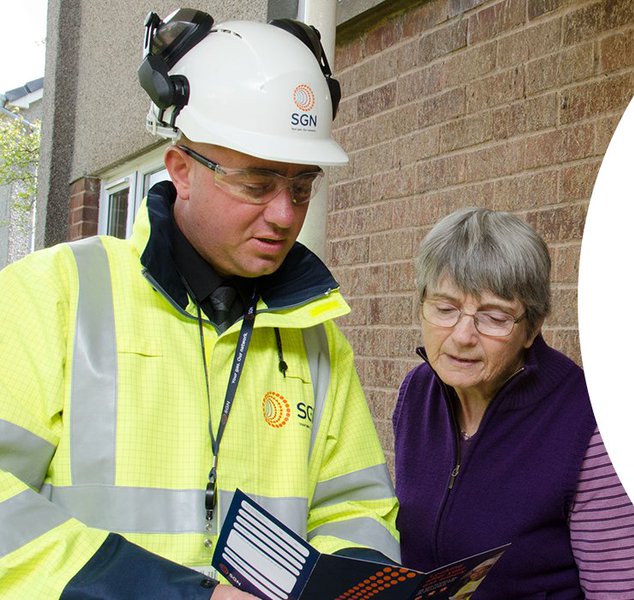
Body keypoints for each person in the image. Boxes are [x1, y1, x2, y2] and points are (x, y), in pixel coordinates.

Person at [0, 9, 399, 599]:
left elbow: (355, 507)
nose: (287, 215)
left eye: (301, 186)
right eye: (258, 185)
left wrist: (353, 583)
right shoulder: (53, 295)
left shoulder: (316, 338)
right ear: (181, 169)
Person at [392, 208, 634, 599]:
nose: (462, 335)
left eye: (494, 317)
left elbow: (618, 592)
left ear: (532, 328)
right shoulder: (417, 394)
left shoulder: (588, 422)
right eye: (444, 309)